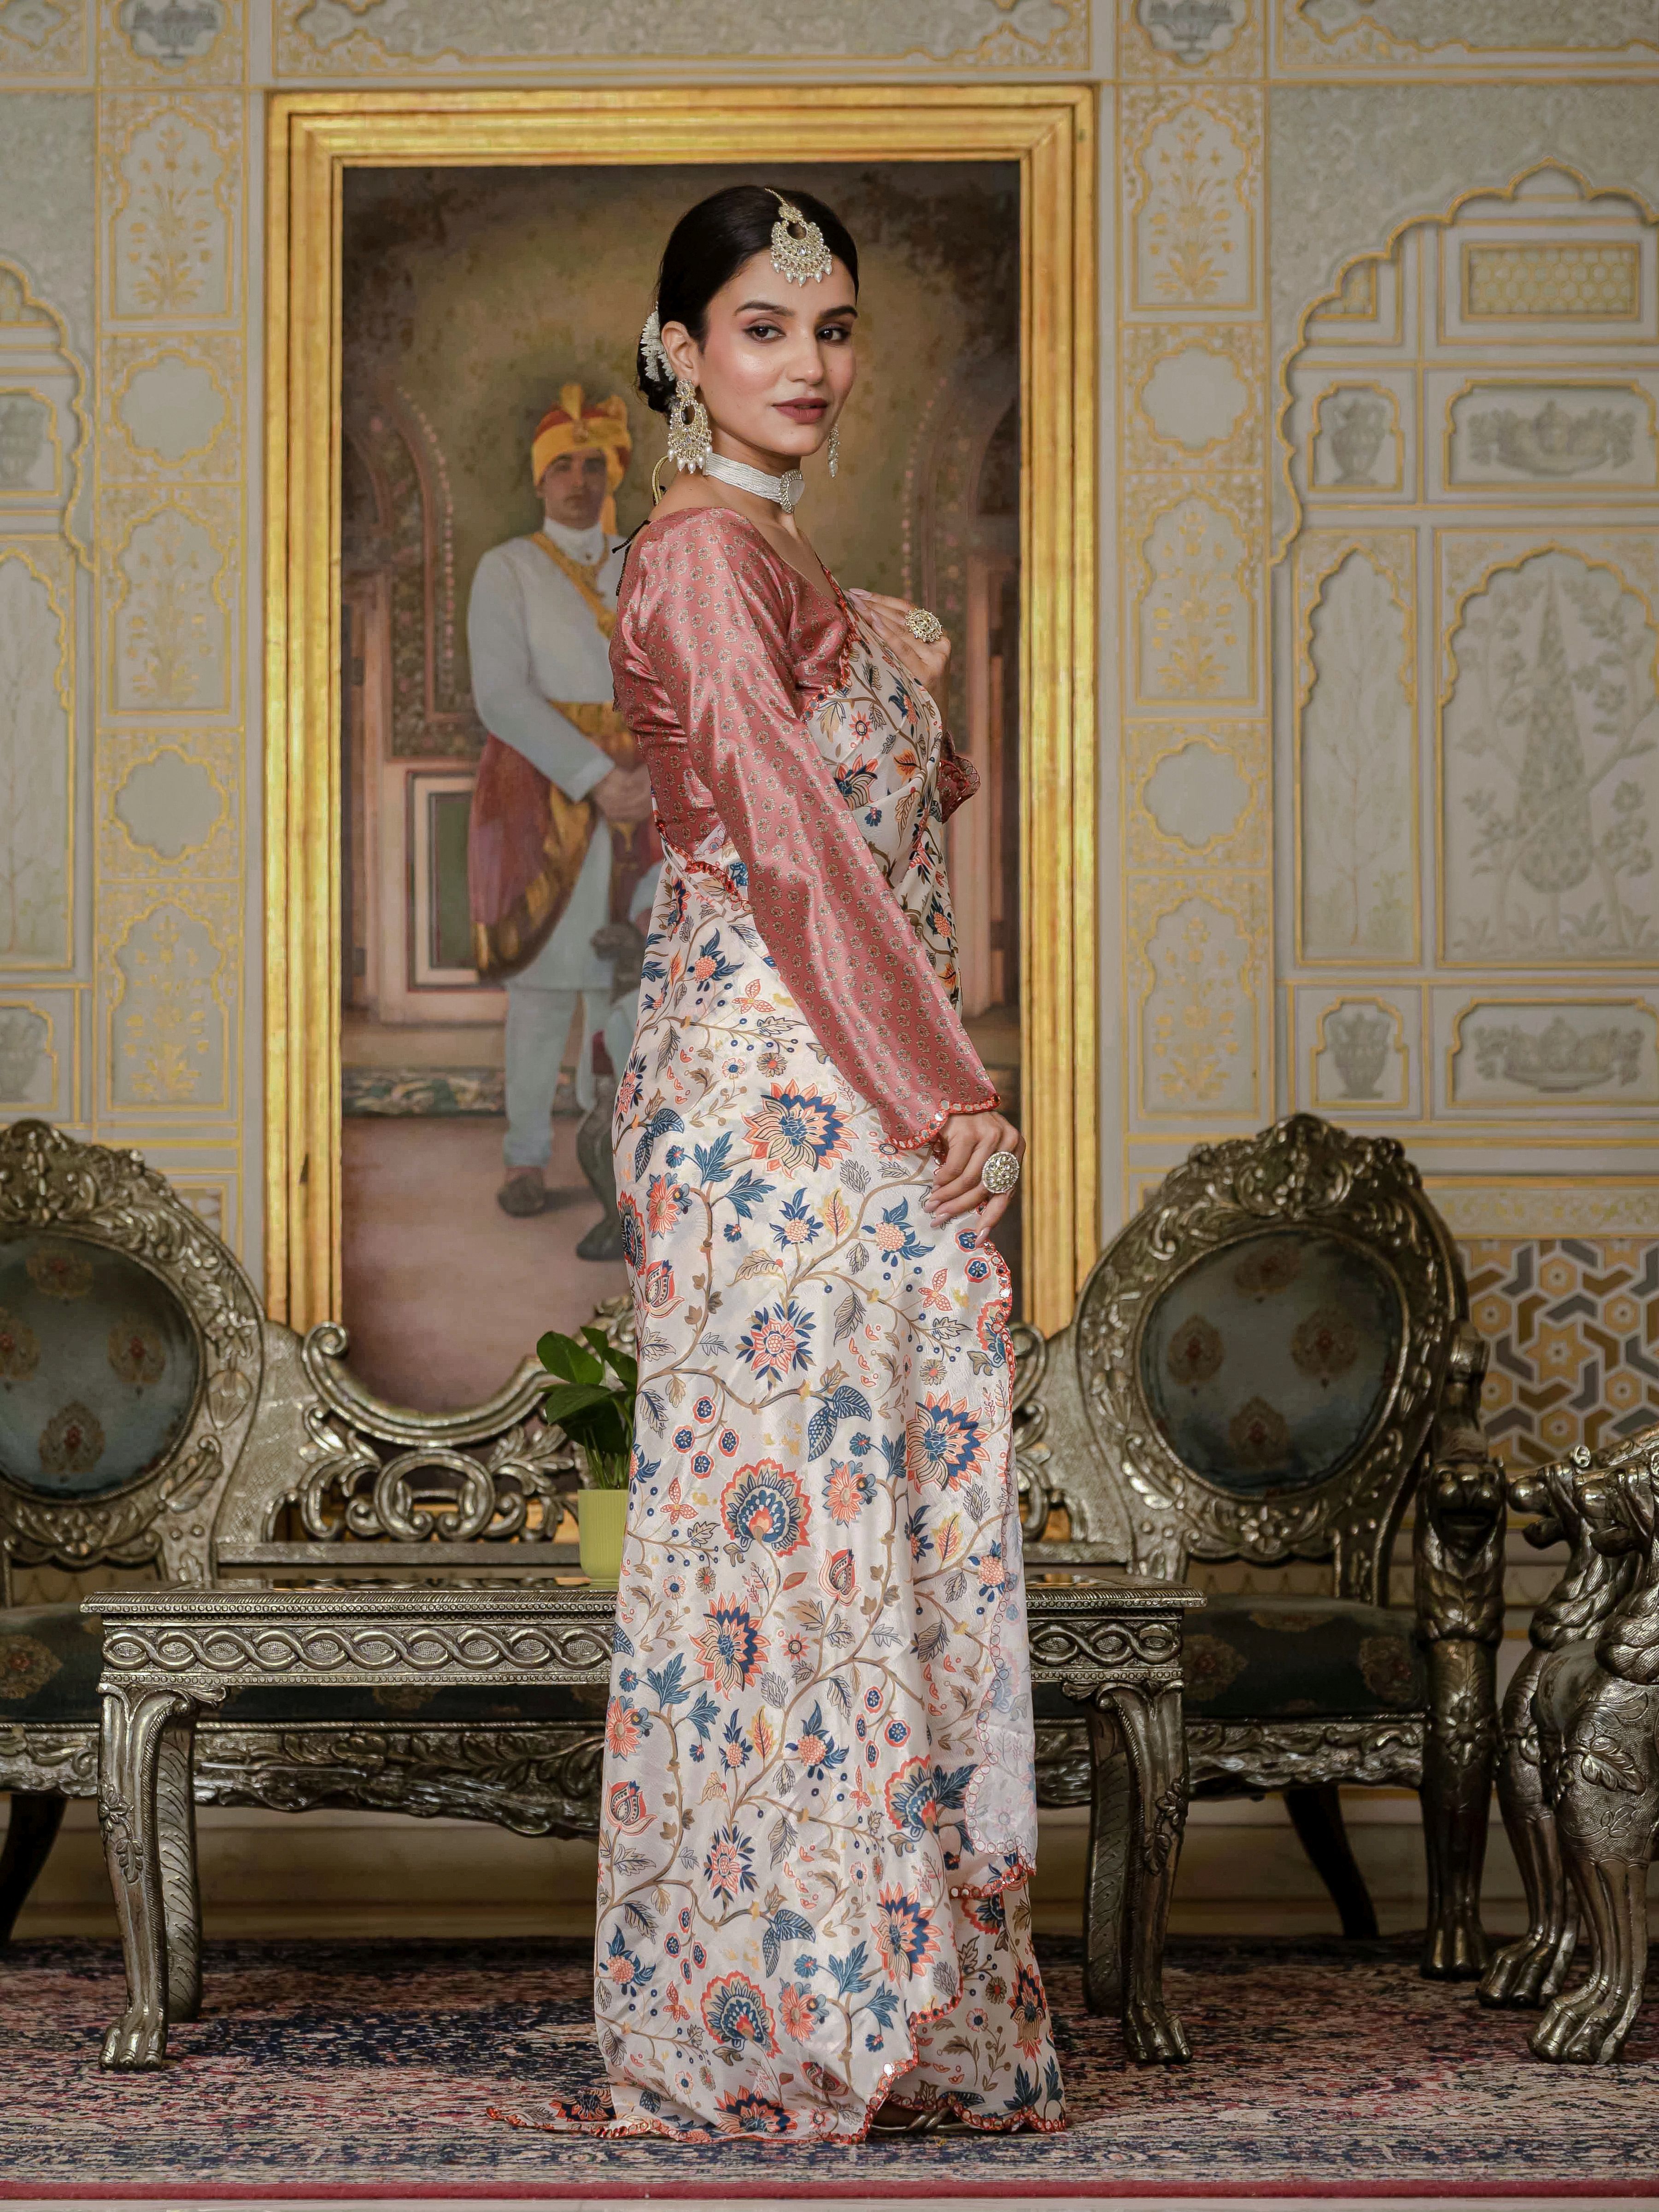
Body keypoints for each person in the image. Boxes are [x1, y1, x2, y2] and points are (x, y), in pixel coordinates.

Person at [501, 184, 1062, 2143]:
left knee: (856, 1511)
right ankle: (776, 2018)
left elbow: (871, 825)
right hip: (775, 1084)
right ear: (678, 350)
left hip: (832, 1062)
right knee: (789, 1528)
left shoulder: (773, 553)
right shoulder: (694, 561)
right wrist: (939, 1089)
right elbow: (793, 843)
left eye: (831, 329)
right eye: (762, 327)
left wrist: (915, 1083)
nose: (807, 363)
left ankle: (886, 1997)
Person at [466, 383, 657, 1223]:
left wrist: (650, 775)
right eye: (563, 467)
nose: (579, 481)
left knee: (625, 986)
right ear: (539, 480)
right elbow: (502, 695)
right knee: (546, 986)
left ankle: (615, 1159)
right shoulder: (507, 568)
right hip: (542, 789)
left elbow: (676, 677)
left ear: (612, 473)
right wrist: (593, 774)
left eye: (593, 465)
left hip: (648, 790)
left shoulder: (643, 560)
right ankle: (527, 1155)